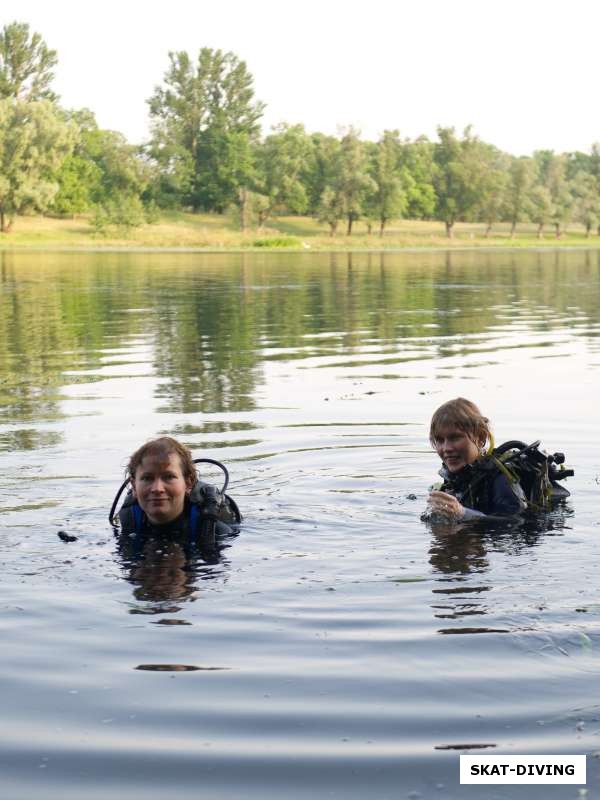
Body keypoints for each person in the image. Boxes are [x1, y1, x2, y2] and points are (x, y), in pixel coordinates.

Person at [114, 436, 241, 544]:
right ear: (134, 486)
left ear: (188, 483)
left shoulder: (212, 525)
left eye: (169, 477)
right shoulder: (129, 520)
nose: (157, 489)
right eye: (147, 478)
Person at [427, 398, 527, 521]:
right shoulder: (454, 477)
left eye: (455, 438)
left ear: (480, 437)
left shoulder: (500, 478)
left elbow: (516, 522)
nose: (446, 448)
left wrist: (463, 514)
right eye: (440, 440)